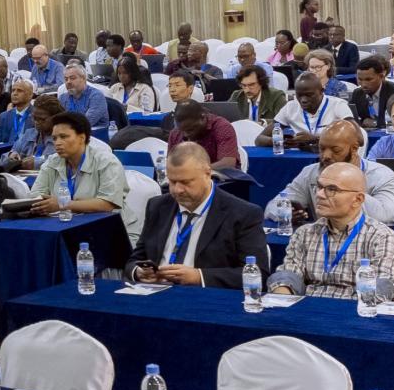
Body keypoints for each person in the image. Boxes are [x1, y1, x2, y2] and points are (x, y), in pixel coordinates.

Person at [125, 143, 266, 288]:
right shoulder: (157, 206)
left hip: (206, 298)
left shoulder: (243, 214)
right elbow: (135, 259)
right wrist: (139, 272)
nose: (177, 190)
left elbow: (258, 273)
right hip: (155, 294)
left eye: (186, 182)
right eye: (172, 181)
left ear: (208, 174)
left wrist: (199, 276)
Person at [268, 162, 394, 300]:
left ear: (358, 199)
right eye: (319, 187)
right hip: (309, 312)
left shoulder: (381, 237)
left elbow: (383, 286)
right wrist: (282, 297)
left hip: (356, 312)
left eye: (331, 189)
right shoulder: (304, 234)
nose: (320, 195)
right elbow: (289, 276)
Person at [285, 121, 394, 225]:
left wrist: (345, 185)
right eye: (321, 149)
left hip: (373, 241)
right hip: (326, 239)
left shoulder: (383, 176)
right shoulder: (310, 172)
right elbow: (276, 204)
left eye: (336, 150)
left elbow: (384, 215)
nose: (326, 156)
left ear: (354, 149)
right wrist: (285, 212)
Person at [25, 112, 126, 216]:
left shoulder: (106, 161)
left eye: (63, 137)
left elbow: (108, 204)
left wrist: (63, 204)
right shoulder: (52, 161)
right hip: (64, 223)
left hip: (107, 225)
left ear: (82, 138)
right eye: (54, 138)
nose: (57, 143)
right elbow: (36, 196)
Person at [256, 72, 353, 149]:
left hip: (332, 158)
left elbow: (357, 137)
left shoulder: (338, 105)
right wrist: (281, 141)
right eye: (299, 95)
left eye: (309, 95)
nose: (303, 100)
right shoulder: (290, 107)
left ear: (321, 91)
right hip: (300, 159)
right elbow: (260, 139)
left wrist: (316, 139)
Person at [166, 100, 238, 170]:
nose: (186, 135)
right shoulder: (175, 133)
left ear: (203, 118)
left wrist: (195, 171)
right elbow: (171, 164)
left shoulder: (222, 127)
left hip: (221, 178)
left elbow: (228, 164)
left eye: (191, 130)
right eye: (182, 131)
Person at [350, 55, 394, 129]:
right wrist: (362, 122)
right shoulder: (357, 93)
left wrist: (375, 123)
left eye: (368, 79)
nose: (363, 84)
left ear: (381, 76)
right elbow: (352, 119)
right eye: (360, 79)